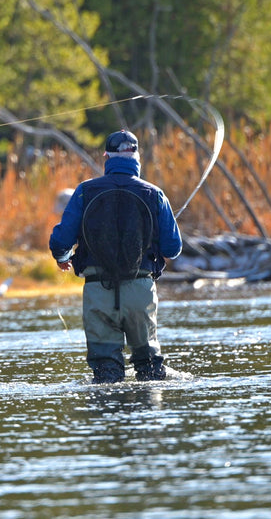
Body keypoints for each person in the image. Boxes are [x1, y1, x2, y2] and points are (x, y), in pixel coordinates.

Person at [49, 130, 183, 383]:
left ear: (106, 157)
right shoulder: (155, 194)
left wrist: (62, 256)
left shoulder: (84, 191)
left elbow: (61, 240)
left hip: (97, 290)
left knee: (105, 373)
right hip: (141, 291)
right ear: (137, 156)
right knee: (150, 369)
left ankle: (108, 420)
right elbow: (172, 249)